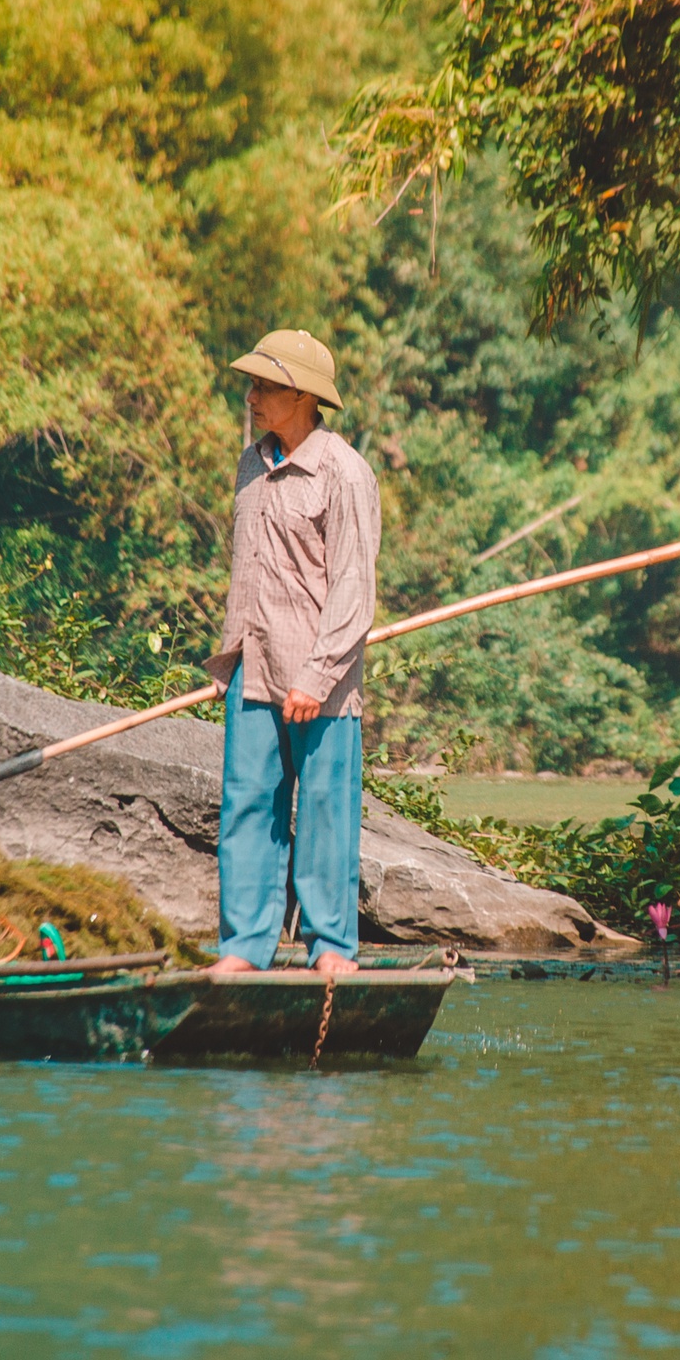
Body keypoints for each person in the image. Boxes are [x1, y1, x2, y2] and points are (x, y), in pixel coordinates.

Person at [204, 329, 381, 976]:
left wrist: (316, 674)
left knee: (328, 812)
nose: (250, 397)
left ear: (304, 397)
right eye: (251, 385)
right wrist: (232, 661)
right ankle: (244, 947)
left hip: (322, 679)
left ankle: (332, 945)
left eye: (263, 387)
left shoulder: (345, 472)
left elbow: (354, 588)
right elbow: (247, 571)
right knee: (248, 805)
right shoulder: (252, 463)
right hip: (254, 667)